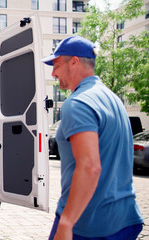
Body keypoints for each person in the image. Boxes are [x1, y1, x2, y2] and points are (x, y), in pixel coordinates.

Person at [41, 35, 144, 239]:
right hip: (124, 219)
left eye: (56, 65)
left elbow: (90, 167)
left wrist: (67, 223)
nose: (53, 72)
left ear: (74, 62)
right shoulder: (112, 99)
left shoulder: (78, 103)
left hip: (88, 223)